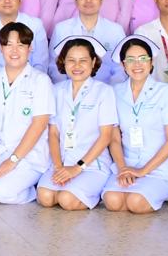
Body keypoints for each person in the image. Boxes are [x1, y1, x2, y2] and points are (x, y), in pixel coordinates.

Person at [0, 21, 53, 204]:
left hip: (30, 154)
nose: (14, 51)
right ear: (0, 48)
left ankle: (33, 191)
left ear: (30, 48)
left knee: (2, 192)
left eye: (21, 45)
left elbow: (39, 124)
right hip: (0, 148)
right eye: (9, 45)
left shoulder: (40, 80)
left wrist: (13, 160)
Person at [101, 37, 168, 214]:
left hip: (160, 168)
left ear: (151, 62)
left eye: (143, 58)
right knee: (112, 200)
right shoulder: (115, 92)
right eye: (130, 59)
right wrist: (123, 168)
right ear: (123, 65)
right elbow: (114, 138)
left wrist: (143, 171)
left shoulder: (165, 92)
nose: (137, 64)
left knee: (136, 202)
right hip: (127, 164)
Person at [36, 36, 117, 211]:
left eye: (83, 60)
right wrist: (58, 166)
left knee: (66, 199)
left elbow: (106, 136)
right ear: (63, 62)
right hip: (62, 161)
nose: (77, 66)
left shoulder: (104, 92)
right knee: (45, 197)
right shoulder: (56, 90)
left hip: (91, 165)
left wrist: (77, 168)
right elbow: (53, 133)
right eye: (71, 60)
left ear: (93, 62)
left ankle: (94, 195)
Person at [49, 0, 126, 85]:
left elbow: (121, 67)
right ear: (75, 0)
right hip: (69, 89)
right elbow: (54, 65)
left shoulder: (116, 30)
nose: (88, 0)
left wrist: (109, 90)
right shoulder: (61, 29)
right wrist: (65, 88)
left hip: (105, 88)